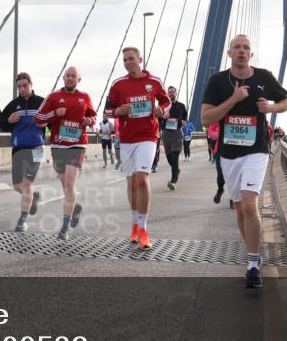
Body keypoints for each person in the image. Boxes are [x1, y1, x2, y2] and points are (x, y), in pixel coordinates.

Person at [202, 34, 287, 288]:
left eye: (246, 48)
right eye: (237, 47)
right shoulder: (218, 81)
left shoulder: (264, 77)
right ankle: (252, 249)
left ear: (251, 54)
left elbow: (286, 102)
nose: (241, 51)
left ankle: (253, 262)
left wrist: (272, 108)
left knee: (250, 205)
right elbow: (206, 119)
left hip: (257, 150)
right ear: (229, 53)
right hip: (228, 153)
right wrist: (233, 99)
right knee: (239, 209)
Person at [105, 47, 170, 249]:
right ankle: (135, 225)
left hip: (148, 136)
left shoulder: (154, 82)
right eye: (124, 60)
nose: (127, 62)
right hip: (126, 138)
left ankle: (143, 229)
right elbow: (107, 111)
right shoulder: (118, 84)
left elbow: (167, 102)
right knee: (132, 182)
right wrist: (117, 111)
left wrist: (162, 111)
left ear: (140, 59)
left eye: (131, 59)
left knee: (142, 178)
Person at [35, 67, 97, 240]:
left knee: (69, 184)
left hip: (77, 144)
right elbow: (38, 119)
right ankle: (75, 207)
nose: (70, 78)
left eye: (73, 76)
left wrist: (89, 120)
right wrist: (55, 113)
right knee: (65, 184)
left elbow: (93, 116)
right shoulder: (53, 97)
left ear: (79, 79)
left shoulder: (85, 97)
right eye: (67, 76)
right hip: (58, 145)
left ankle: (65, 227)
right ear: (63, 78)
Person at [0, 73, 45, 232]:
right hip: (18, 148)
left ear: (31, 85)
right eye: (19, 86)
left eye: (25, 85)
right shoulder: (13, 104)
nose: (22, 89)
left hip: (36, 148)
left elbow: (53, 122)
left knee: (27, 184)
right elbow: (2, 124)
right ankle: (34, 196)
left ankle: (22, 220)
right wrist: (8, 122)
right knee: (17, 186)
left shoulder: (41, 102)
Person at [162, 86, 188, 191]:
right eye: (170, 92)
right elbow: (158, 118)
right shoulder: (163, 106)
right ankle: (176, 170)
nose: (171, 93)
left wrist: (184, 121)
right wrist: (162, 117)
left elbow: (185, 116)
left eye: (173, 92)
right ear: (167, 93)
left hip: (177, 133)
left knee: (175, 157)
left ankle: (173, 181)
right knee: (169, 158)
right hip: (166, 134)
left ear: (176, 93)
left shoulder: (181, 106)